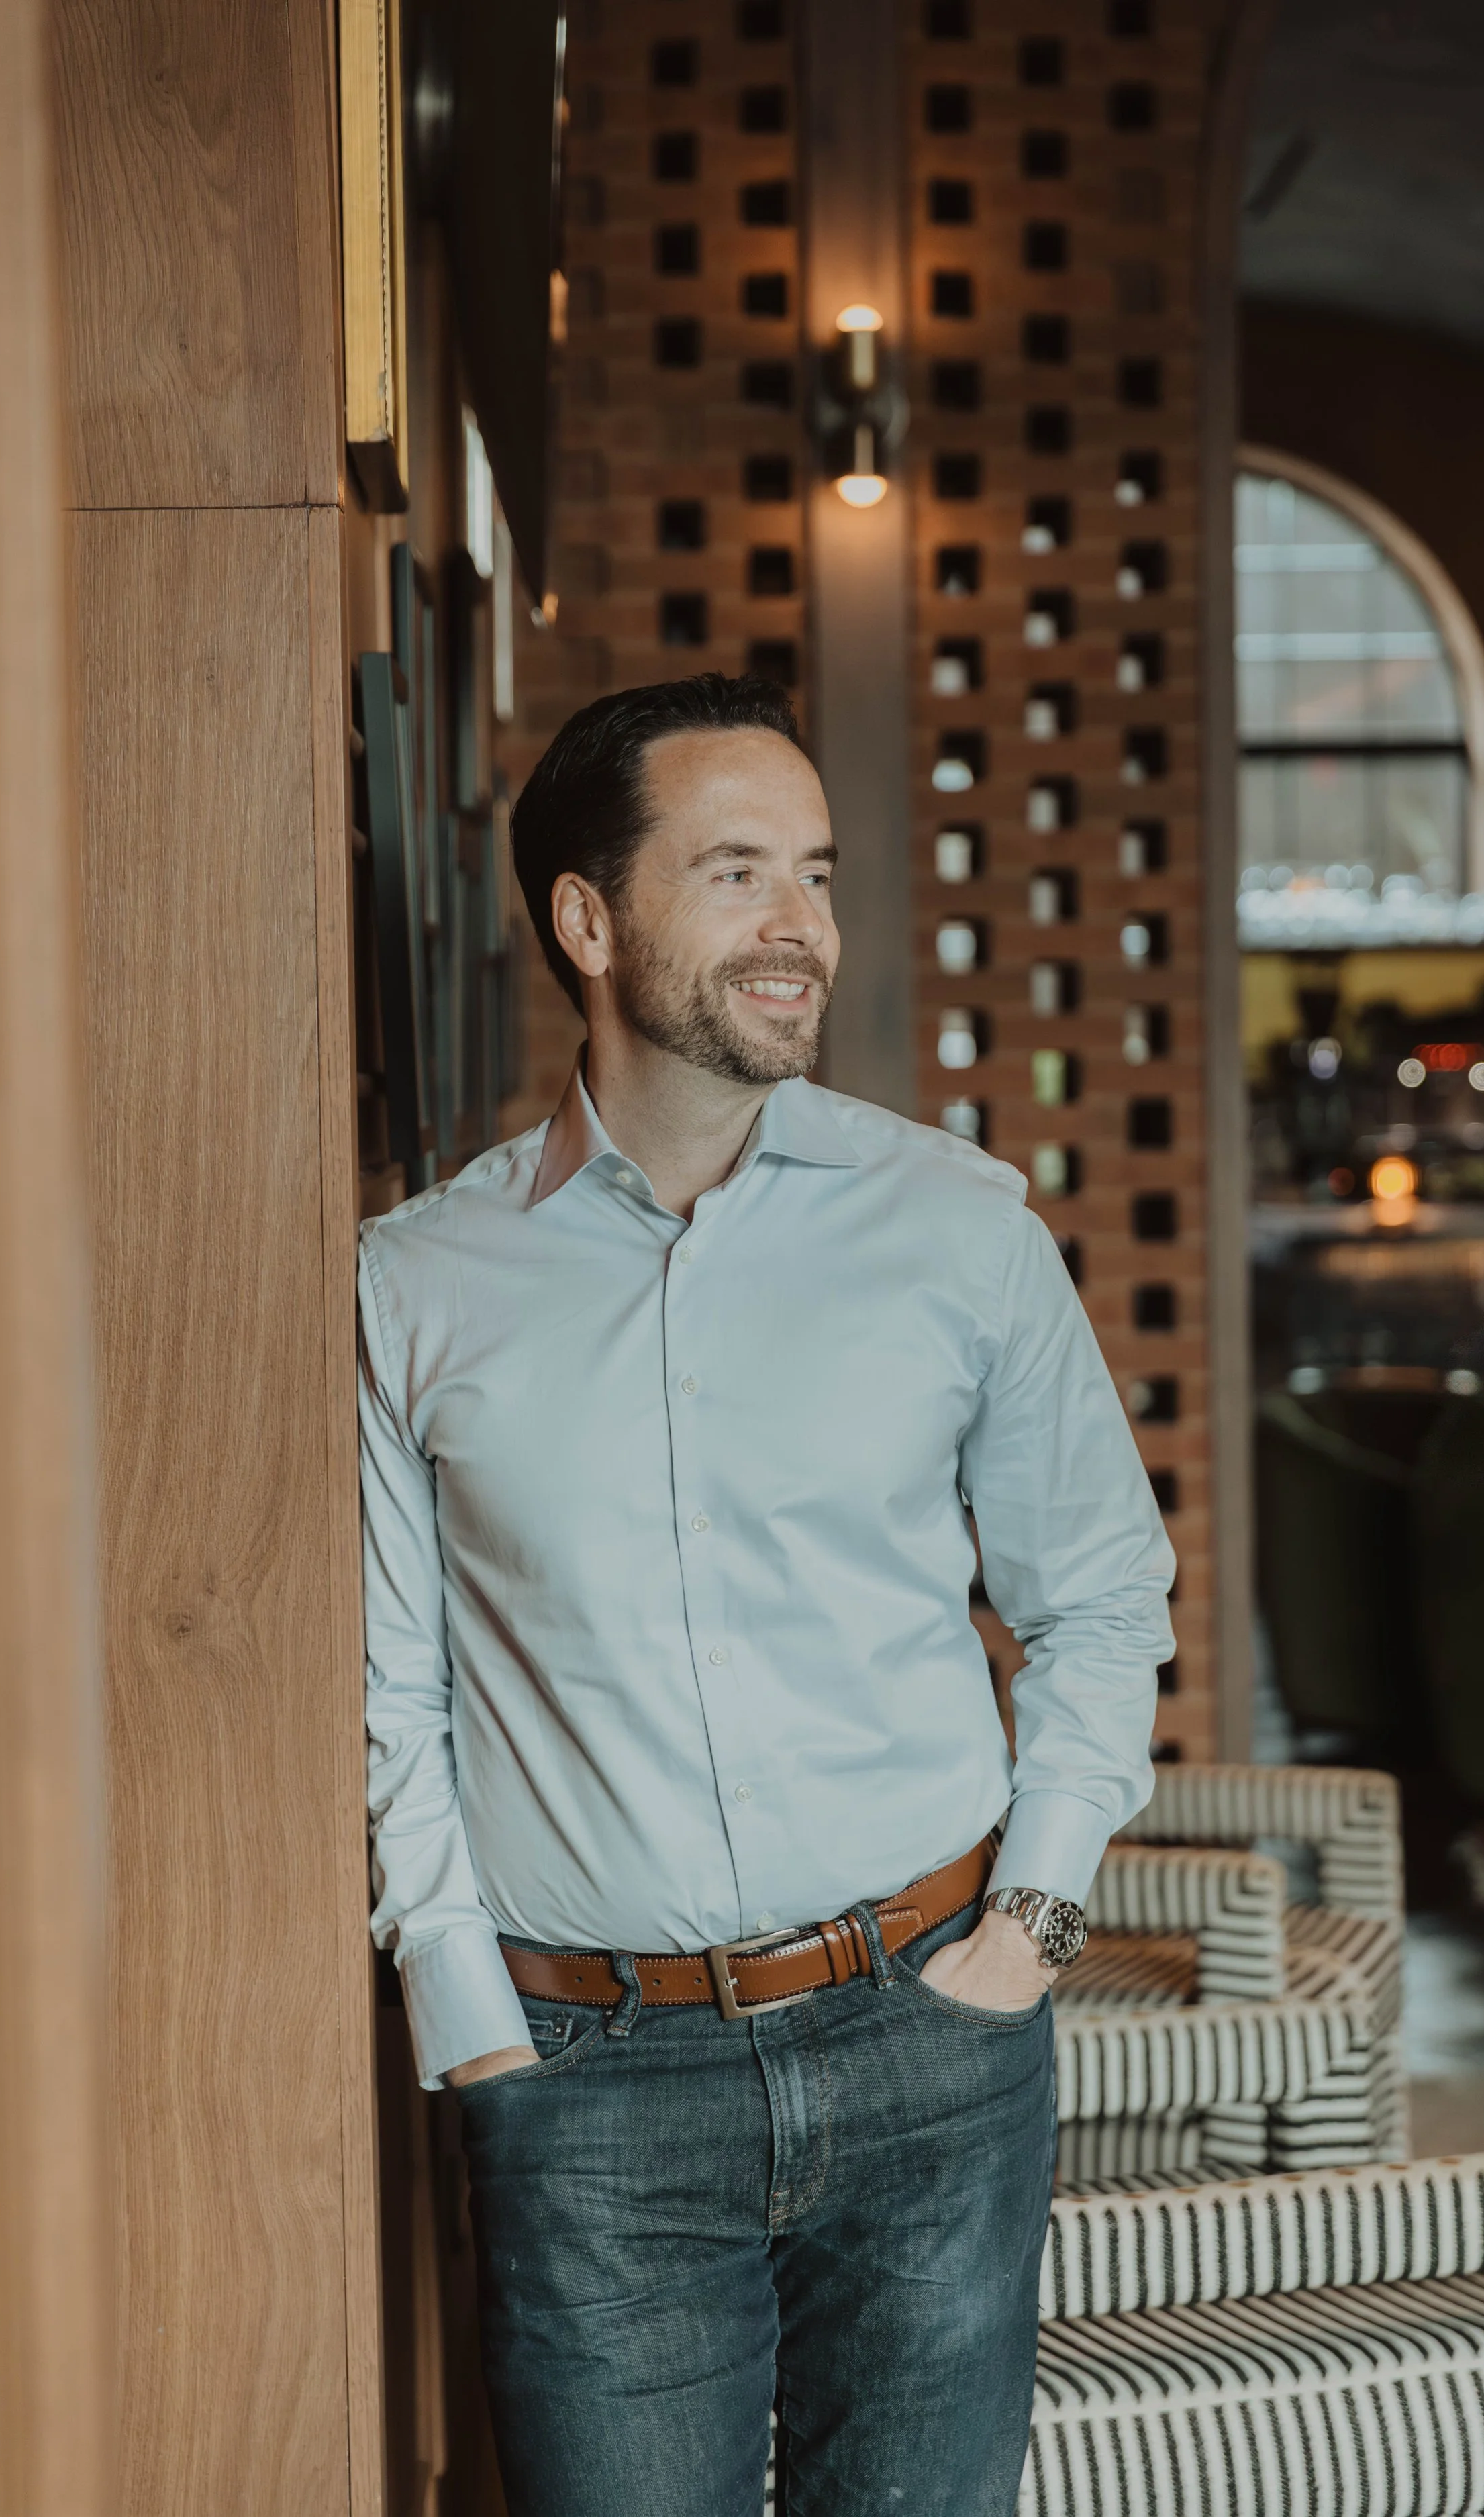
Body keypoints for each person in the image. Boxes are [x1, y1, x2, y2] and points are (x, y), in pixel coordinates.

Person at [358, 672, 1175, 2516]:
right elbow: (389, 1693)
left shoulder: (958, 1225)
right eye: (736, 873)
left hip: (932, 2040)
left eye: (810, 871)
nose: (799, 924)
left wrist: (1025, 1931)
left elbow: (1102, 1594)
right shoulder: (416, 1285)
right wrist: (471, 2014)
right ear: (589, 917)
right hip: (587, 2087)